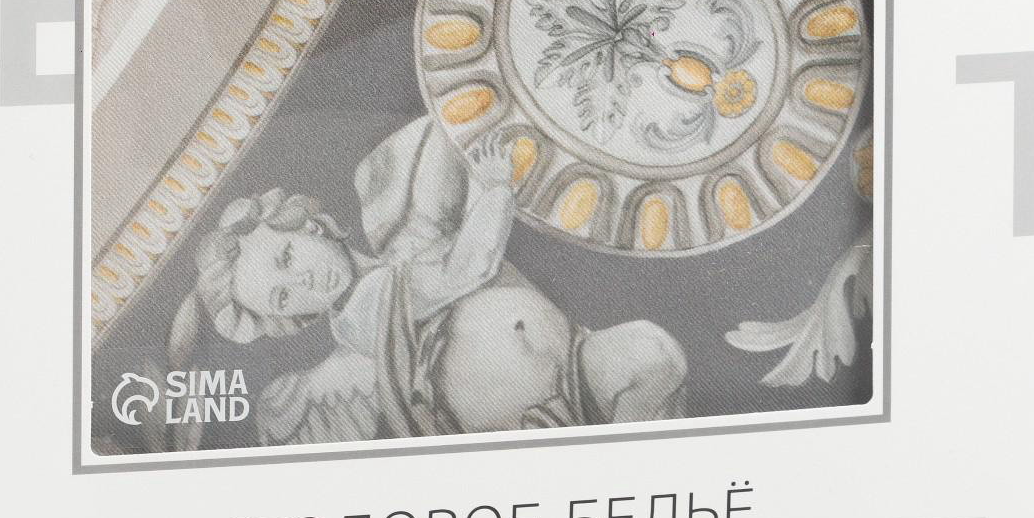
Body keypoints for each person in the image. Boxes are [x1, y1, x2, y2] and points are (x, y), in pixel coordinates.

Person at [167, 118, 687, 446]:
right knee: (653, 354)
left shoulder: (392, 268)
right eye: (284, 296)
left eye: (287, 256)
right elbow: (467, 268)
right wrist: (496, 190)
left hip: (573, 368)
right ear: (289, 317)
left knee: (655, 362)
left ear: (306, 226)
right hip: (539, 418)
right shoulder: (368, 307)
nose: (301, 280)